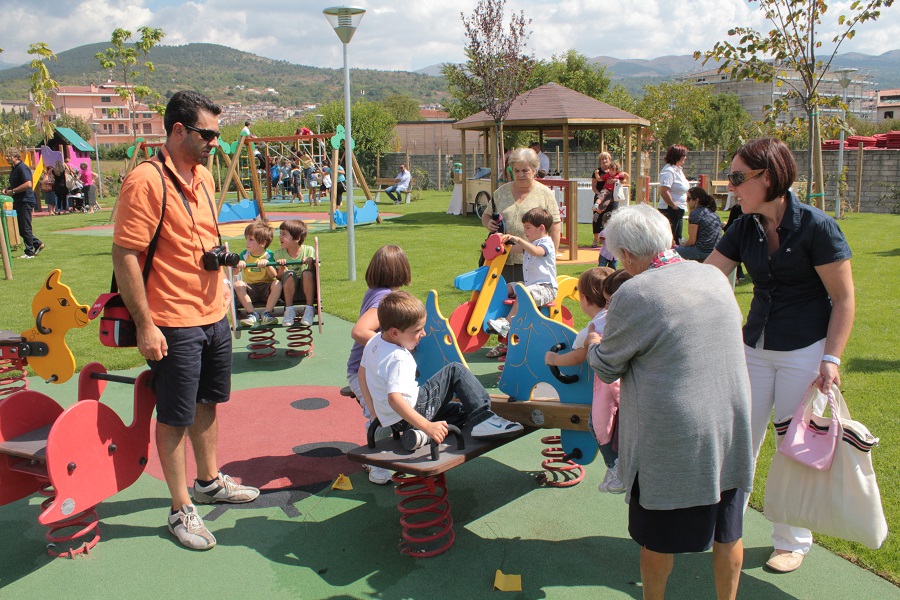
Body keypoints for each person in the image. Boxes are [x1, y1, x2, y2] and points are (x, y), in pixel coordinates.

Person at [112, 90, 259, 551]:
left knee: (208, 403)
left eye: (217, 134)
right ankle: (180, 509)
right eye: (208, 134)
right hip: (172, 320)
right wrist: (146, 324)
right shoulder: (145, 182)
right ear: (178, 130)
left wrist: (225, 295)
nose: (216, 141)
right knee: (174, 417)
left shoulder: (204, 177)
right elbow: (125, 256)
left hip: (212, 314)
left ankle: (209, 481)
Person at [585, 204, 754, 600]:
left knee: (657, 540)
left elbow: (608, 366)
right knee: (728, 531)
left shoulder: (635, 292)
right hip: (729, 425)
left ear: (626, 255)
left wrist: (593, 344)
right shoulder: (714, 276)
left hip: (674, 438)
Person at [705, 137, 855, 574]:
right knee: (738, 444)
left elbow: (844, 299)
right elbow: (708, 275)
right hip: (754, 349)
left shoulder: (817, 227)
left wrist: (832, 359)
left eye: (737, 178)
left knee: (794, 448)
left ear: (767, 177)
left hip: (805, 352)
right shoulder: (744, 225)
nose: (731, 187)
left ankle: (792, 541)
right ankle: (727, 531)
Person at [357, 290, 524, 446]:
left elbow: (361, 373)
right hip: (412, 410)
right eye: (417, 330)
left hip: (393, 420)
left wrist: (374, 410)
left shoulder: (374, 342)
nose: (423, 334)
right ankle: (485, 419)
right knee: (455, 370)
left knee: (463, 410)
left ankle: (420, 436)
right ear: (395, 333)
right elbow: (395, 399)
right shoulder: (398, 357)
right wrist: (427, 425)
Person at [544, 266, 624, 493]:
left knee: (597, 425)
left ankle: (614, 466)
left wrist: (555, 360)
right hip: (626, 384)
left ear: (586, 300)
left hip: (606, 385)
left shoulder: (592, 328)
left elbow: (578, 356)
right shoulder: (619, 315)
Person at [481, 147, 561, 358]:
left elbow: (555, 224)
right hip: (503, 258)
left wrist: (550, 254)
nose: (520, 175)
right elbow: (487, 215)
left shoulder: (544, 193)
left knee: (526, 304)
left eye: (525, 170)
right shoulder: (502, 192)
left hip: (534, 260)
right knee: (503, 301)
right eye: (516, 170)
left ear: (535, 170)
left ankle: (525, 347)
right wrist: (489, 223)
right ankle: (504, 344)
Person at [346, 245, 412, 484]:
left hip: (373, 368)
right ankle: (376, 462)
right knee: (382, 412)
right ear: (402, 270)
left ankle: (386, 448)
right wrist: (394, 347)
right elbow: (360, 331)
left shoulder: (377, 291)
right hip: (362, 371)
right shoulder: (383, 297)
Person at [487, 207, 558, 338]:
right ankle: (493, 315)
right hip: (530, 285)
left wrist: (518, 239)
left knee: (524, 294)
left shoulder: (546, 243)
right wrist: (499, 244)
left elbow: (536, 251)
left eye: (528, 227)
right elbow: (511, 249)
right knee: (506, 288)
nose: (525, 231)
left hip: (546, 288)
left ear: (541, 228)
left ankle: (506, 324)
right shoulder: (532, 243)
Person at [267, 219, 316, 327]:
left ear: (297, 238)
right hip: (288, 292)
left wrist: (310, 262)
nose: (280, 237)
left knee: (307, 273)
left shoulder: (309, 250)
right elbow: (278, 278)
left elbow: (314, 273)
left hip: (306, 290)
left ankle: (309, 309)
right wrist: (282, 268)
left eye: (284, 234)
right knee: (289, 274)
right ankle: (289, 310)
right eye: (280, 233)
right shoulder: (279, 254)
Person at [234, 220, 277, 328]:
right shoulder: (244, 255)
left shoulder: (269, 255)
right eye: (247, 239)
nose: (247, 242)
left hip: (266, 287)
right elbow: (234, 273)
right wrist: (238, 265)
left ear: (262, 243)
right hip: (251, 288)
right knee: (238, 284)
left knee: (277, 284)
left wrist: (268, 265)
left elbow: (273, 275)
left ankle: (267, 313)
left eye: (251, 239)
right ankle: (252, 314)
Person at [2, 149, 44, 258]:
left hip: (25, 200)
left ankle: (29, 252)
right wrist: (8, 189)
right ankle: (37, 243)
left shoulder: (22, 167)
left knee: (25, 226)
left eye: (8, 156)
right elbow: (16, 185)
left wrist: (13, 191)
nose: (6, 158)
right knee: (20, 228)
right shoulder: (14, 169)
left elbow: (28, 184)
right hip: (18, 200)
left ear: (16, 156)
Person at [674, 187, 722, 262]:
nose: (686, 201)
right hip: (715, 250)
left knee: (670, 253)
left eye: (689, 198)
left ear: (697, 200)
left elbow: (692, 241)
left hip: (702, 250)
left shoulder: (695, 214)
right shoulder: (712, 212)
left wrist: (682, 246)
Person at [657, 144, 690, 243]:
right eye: (684, 155)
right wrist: (674, 206)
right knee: (670, 239)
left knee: (677, 238)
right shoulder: (668, 171)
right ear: (678, 156)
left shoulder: (678, 170)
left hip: (679, 209)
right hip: (670, 210)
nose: (685, 157)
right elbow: (664, 191)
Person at [592, 160, 629, 247]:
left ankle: (598, 212)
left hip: (613, 194)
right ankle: (596, 205)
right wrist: (597, 173)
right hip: (606, 190)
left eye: (613, 170)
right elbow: (599, 179)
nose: (611, 172)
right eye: (610, 170)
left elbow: (625, 180)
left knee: (605, 205)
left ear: (617, 170)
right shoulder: (607, 175)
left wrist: (623, 175)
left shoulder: (618, 175)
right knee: (601, 197)